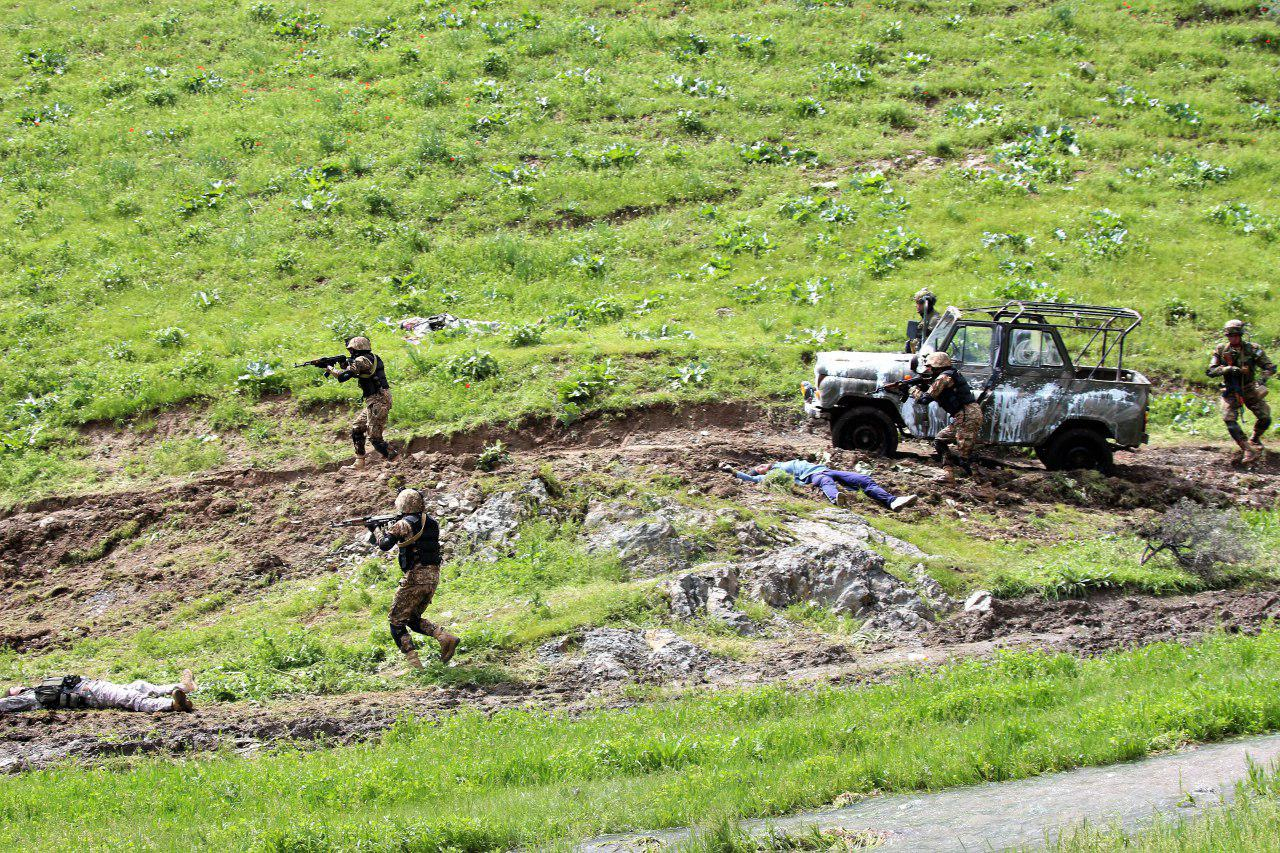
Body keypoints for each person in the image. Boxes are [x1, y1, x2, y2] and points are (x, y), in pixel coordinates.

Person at [372, 488, 459, 671]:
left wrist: (376, 531)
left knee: (396, 622)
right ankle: (444, 637)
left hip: (415, 578)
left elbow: (385, 545)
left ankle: (415, 666)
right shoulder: (431, 522)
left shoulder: (403, 524)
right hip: (432, 578)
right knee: (411, 618)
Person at [722, 459, 917, 511]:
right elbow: (752, 480)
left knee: (864, 480)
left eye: (761, 465)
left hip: (827, 469)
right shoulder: (774, 474)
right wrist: (733, 471)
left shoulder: (781, 463)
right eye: (759, 469)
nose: (762, 467)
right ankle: (836, 499)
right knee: (825, 482)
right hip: (815, 477)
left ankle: (892, 501)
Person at [1207, 319, 1275, 465]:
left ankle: (1254, 440)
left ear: (1241, 335)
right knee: (1229, 419)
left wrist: (1263, 379)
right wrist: (1227, 369)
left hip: (1250, 388)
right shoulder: (1221, 350)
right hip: (1230, 390)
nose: (1233, 338)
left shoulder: (1253, 349)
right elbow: (1211, 370)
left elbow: (1269, 367)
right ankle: (1247, 449)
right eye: (1230, 336)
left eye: (1236, 335)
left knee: (1265, 418)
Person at [912, 351, 985, 480]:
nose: (929, 370)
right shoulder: (950, 374)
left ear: (937, 367)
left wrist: (913, 391)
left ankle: (980, 484)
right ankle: (948, 474)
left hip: (967, 415)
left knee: (965, 456)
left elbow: (925, 399)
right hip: (965, 415)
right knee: (940, 441)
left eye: (931, 368)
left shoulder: (944, 378)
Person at [327, 335, 397, 469]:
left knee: (375, 439)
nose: (350, 353)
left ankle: (395, 459)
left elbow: (343, 377)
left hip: (378, 401)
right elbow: (356, 370)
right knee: (357, 428)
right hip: (375, 400)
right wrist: (344, 364)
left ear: (356, 349)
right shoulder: (370, 358)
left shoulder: (362, 360)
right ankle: (360, 462)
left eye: (351, 350)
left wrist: (330, 369)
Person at [2, 670, 197, 714]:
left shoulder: (38, 689)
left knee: (139, 686)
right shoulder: (31, 698)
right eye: (13, 690)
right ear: (14, 695)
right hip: (92, 695)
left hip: (94, 686)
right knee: (130, 697)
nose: (17, 686)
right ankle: (172, 705)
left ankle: (180, 687)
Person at [907, 288, 941, 353]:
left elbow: (932, 341)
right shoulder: (926, 317)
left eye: (917, 303)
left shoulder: (934, 319)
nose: (916, 306)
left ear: (926, 304)